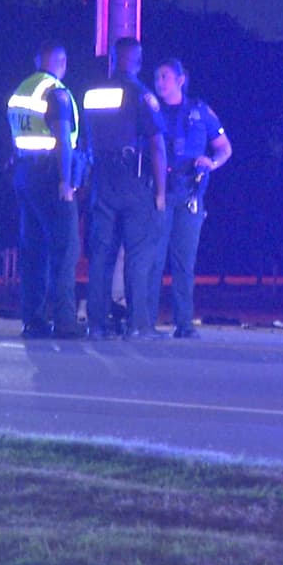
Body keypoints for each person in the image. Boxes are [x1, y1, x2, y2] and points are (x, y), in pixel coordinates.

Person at [82, 37, 167, 339]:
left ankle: (96, 324)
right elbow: (157, 145)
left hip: (102, 180)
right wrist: (160, 191)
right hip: (133, 180)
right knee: (138, 254)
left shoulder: (93, 93)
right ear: (138, 60)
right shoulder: (142, 95)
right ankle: (137, 324)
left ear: (114, 59)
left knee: (101, 253)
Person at [146, 59, 232, 338]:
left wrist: (212, 162)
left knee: (184, 261)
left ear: (181, 80)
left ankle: (183, 323)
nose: (160, 83)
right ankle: (145, 322)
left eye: (165, 77)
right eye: (157, 77)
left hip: (190, 192)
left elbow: (224, 148)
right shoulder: (151, 109)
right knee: (154, 259)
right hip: (160, 190)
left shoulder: (199, 111)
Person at [8, 41, 84, 339]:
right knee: (65, 249)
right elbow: (63, 140)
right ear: (62, 62)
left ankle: (33, 319)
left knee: (33, 251)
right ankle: (65, 320)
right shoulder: (56, 92)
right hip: (51, 177)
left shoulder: (21, 91)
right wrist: (66, 182)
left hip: (24, 176)